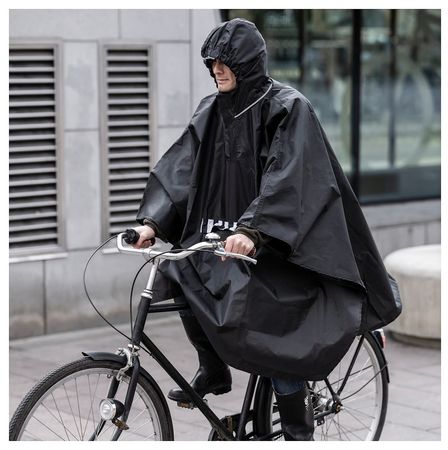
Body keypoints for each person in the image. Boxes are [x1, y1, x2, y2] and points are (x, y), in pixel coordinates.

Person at [132, 18, 401, 441]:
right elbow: (182, 168)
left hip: (284, 248)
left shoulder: (288, 107)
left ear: (248, 63)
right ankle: (213, 369)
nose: (217, 68)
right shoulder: (211, 110)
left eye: (225, 61)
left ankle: (297, 433)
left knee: (278, 336)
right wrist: (152, 221)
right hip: (227, 241)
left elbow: (289, 177)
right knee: (179, 270)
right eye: (211, 62)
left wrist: (254, 230)